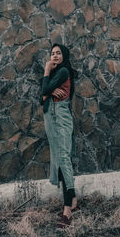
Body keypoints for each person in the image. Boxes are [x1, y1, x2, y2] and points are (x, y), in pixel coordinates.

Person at [41, 43, 78, 228]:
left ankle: (67, 211)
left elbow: (44, 90)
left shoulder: (63, 71)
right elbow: (43, 94)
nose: (54, 56)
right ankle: (73, 200)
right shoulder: (57, 74)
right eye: (52, 54)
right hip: (51, 118)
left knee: (63, 159)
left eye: (58, 53)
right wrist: (46, 90)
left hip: (60, 118)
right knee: (59, 159)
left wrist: (47, 70)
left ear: (64, 55)